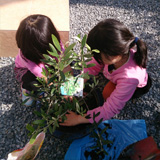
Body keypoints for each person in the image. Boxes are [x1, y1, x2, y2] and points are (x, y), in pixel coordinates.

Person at [60, 18, 152, 126]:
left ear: (114, 56)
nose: (94, 57)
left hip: (137, 88)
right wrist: (71, 89)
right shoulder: (114, 53)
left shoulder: (130, 78)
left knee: (106, 94)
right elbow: (90, 68)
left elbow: (110, 110)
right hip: (117, 76)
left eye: (97, 55)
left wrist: (78, 119)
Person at [14, 14, 71, 105]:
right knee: (31, 82)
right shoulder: (25, 56)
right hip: (27, 70)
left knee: (66, 68)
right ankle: (26, 89)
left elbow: (65, 65)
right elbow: (43, 76)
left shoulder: (55, 43)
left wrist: (69, 87)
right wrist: (59, 90)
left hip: (47, 65)